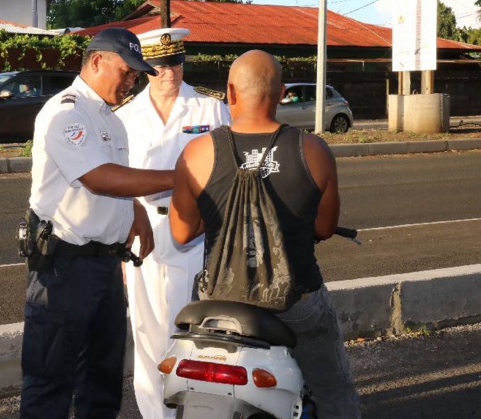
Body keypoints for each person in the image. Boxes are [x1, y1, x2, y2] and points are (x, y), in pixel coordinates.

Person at [169, 50, 361, 418]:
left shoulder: (197, 153)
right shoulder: (314, 151)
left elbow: (181, 232)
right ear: (283, 93)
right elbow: (323, 227)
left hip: (218, 302)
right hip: (295, 302)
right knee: (335, 391)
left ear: (230, 92)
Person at [20, 27, 176, 419]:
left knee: (102, 383)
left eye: (136, 76)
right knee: (50, 384)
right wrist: (180, 177)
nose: (131, 82)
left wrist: (136, 209)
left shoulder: (108, 116)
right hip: (65, 267)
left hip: (105, 265)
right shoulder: (67, 112)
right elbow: (98, 177)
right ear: (96, 61)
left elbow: (116, 177)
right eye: (126, 72)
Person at [114, 27, 230, 419]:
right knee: (146, 333)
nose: (171, 72)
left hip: (195, 233)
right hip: (142, 232)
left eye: (177, 62)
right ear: (145, 68)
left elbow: (227, 170)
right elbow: (118, 181)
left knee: (194, 332)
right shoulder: (125, 116)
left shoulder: (209, 108)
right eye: (161, 65)